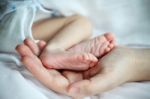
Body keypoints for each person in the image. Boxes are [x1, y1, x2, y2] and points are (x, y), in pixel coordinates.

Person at [16, 38, 150, 98]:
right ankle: (54, 49)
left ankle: (67, 51)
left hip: (28, 21)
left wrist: (132, 63)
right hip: (25, 18)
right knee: (80, 22)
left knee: (82, 22)